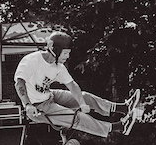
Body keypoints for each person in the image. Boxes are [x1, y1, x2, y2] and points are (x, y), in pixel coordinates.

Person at [15, 31, 143, 137]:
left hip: (49, 96)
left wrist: (82, 103)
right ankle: (118, 127)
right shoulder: (32, 61)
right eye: (65, 53)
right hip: (38, 107)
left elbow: (72, 85)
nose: (68, 56)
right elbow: (19, 83)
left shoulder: (58, 67)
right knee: (77, 117)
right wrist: (27, 105)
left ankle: (123, 108)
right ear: (55, 50)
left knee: (85, 97)